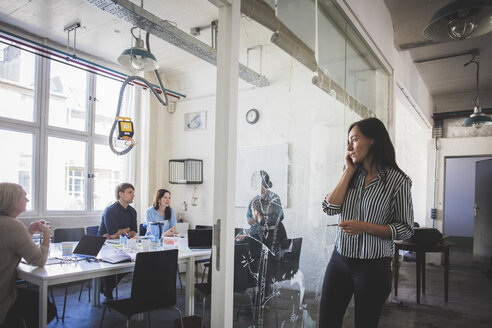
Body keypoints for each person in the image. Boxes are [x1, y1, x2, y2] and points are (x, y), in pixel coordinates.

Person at [319, 118, 414, 328]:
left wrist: (364, 227)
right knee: (326, 322)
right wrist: (349, 171)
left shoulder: (398, 181)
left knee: (365, 323)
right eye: (348, 141)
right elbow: (329, 208)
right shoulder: (350, 174)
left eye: (354, 139)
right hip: (340, 260)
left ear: (372, 140)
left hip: (373, 267)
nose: (349, 147)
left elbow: (406, 229)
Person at [0, 183, 56, 327]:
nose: (28, 200)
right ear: (13, 200)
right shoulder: (13, 225)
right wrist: (47, 234)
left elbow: (9, 247)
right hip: (3, 297)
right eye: (24, 196)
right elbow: (39, 260)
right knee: (47, 308)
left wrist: (28, 232)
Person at [97, 182, 138, 300]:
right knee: (121, 262)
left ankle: (107, 286)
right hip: (104, 245)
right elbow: (112, 234)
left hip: (122, 244)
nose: (133, 195)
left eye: (133, 192)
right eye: (130, 192)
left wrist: (122, 232)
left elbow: (134, 232)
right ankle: (107, 286)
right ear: (121, 194)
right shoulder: (110, 210)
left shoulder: (132, 211)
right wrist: (127, 230)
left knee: (131, 262)